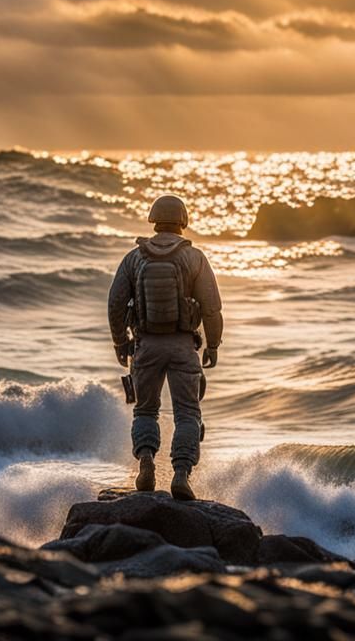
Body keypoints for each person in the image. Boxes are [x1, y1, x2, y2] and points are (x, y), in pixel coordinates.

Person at [107, 194, 223, 501]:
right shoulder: (194, 257)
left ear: (153, 220)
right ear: (183, 221)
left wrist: (121, 342)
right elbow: (211, 307)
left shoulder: (135, 257)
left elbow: (116, 303)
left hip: (145, 346)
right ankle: (181, 474)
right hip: (183, 346)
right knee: (187, 413)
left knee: (146, 410)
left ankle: (145, 463)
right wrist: (212, 344)